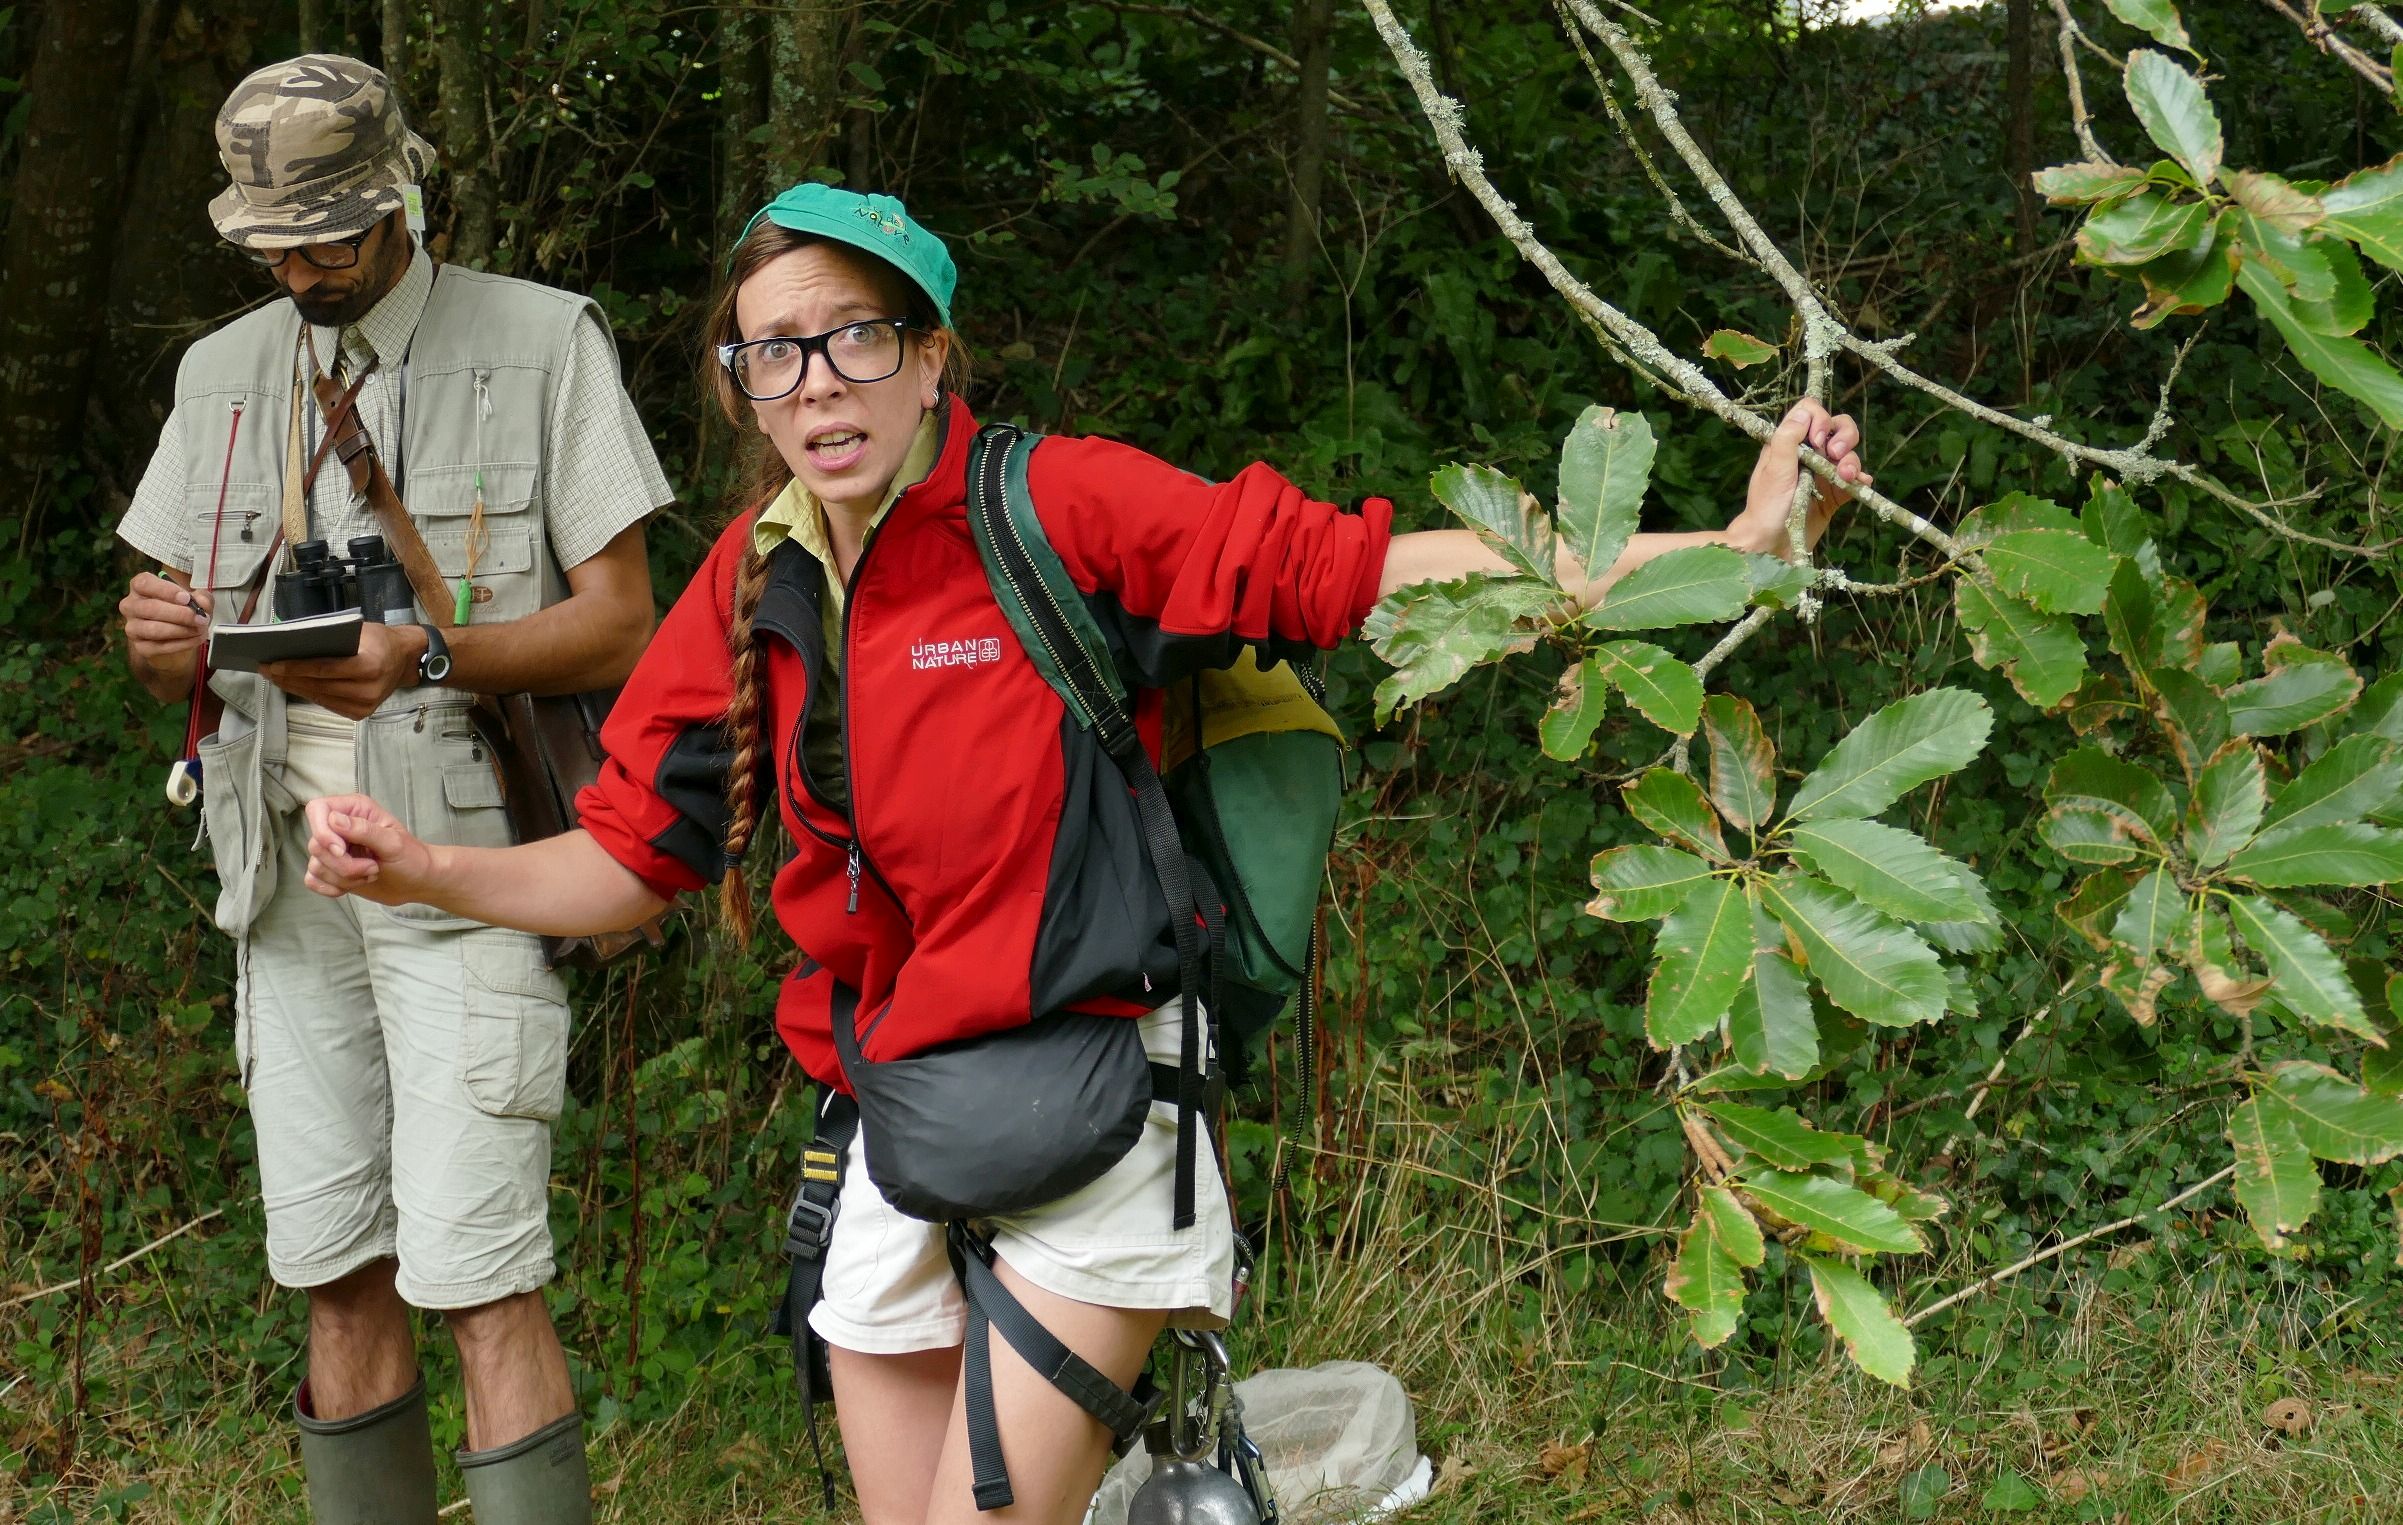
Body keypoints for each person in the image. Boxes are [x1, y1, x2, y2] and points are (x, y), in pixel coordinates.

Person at [294, 184, 1867, 1525]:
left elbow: (1372, 571)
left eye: (855, 337)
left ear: (931, 356)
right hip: (899, 1122)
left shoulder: (1055, 507)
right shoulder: (752, 581)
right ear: (742, 389)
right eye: (773, 350)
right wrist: (422, 869)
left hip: (1102, 1098)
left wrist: (1734, 552)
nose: (818, 382)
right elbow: (631, 861)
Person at [112, 54, 670, 1524]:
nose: (300, 271)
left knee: (482, 1277)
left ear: (401, 203)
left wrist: (430, 655)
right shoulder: (221, 374)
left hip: (465, 869)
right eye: (273, 247)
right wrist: (157, 639)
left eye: (327, 241)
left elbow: (624, 620)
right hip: (282, 884)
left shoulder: (543, 342)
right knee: (333, 1267)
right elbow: (168, 630)